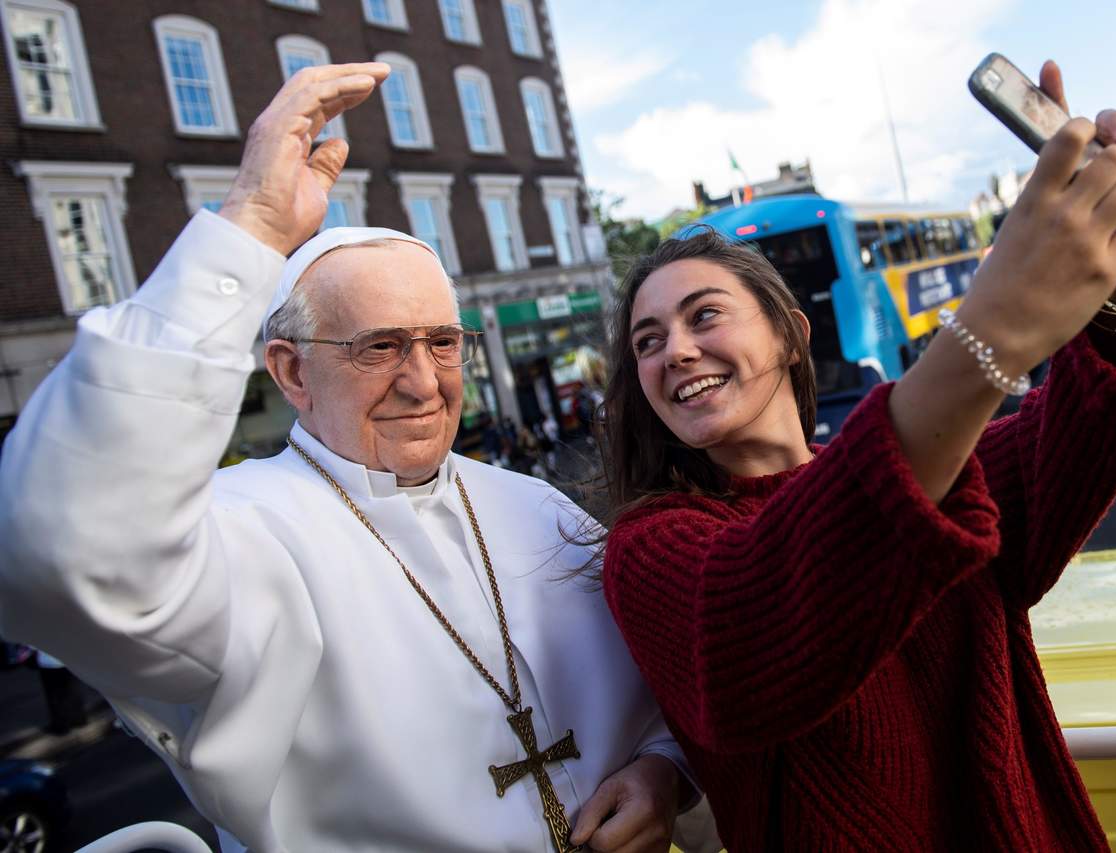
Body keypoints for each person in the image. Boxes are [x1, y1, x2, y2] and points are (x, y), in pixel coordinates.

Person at [0, 63, 701, 853]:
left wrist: (661, 771)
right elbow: (56, 554)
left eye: (443, 343)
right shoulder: (242, 534)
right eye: (380, 347)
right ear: (292, 371)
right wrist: (255, 222)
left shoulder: (536, 506)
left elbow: (670, 695)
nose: (423, 381)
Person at [593, 62, 1116, 850]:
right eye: (648, 341)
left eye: (704, 314)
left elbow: (1080, 432)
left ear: (789, 334)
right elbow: (755, 622)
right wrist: (997, 324)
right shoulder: (651, 549)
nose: (675, 350)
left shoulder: (944, 473)